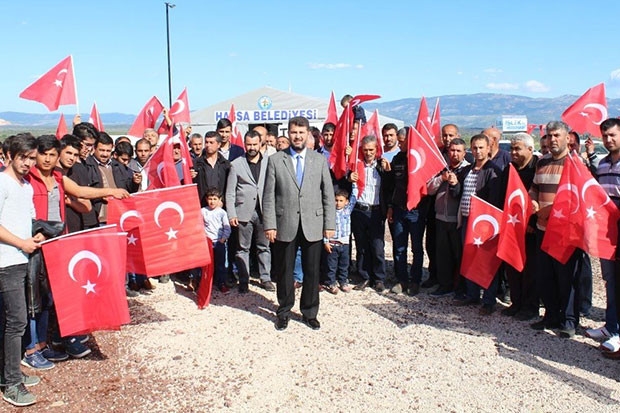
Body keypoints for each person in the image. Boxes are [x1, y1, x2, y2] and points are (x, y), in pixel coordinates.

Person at [263, 116, 336, 331]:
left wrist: (329, 224)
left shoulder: (319, 160)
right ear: (288, 133)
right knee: (285, 271)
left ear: (308, 134)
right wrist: (270, 224)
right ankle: (284, 311)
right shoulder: (276, 160)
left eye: (301, 132)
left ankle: (309, 312)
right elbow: (268, 195)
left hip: (313, 223)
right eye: (294, 132)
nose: (297, 136)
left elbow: (328, 194)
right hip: (285, 223)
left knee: (312, 271)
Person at [0, 134, 42, 407]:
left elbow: (27, 218)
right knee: (15, 321)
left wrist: (37, 234)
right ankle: (11, 383)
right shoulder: (2, 183)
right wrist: (21, 243)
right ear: (9, 156)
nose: (28, 163)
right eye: (23, 157)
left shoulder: (26, 186)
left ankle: (9, 371)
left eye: (31, 158)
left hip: (22, 258)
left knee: (13, 320)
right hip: (5, 261)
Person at [529, 120, 582, 338]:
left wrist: (551, 210)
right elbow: (534, 188)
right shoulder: (542, 162)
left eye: (557, 135)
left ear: (567, 138)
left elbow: (577, 197)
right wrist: (533, 202)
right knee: (546, 275)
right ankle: (550, 315)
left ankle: (569, 321)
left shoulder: (575, 164)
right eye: (550, 136)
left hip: (564, 232)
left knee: (567, 278)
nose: (552, 140)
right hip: (542, 229)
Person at [453, 134, 502, 314]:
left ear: (488, 148)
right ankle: (472, 294)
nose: (478, 151)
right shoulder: (467, 170)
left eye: (481, 147)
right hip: (467, 220)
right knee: (469, 258)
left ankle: (489, 300)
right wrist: (454, 185)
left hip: (484, 222)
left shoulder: (494, 171)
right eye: (475, 148)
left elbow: (494, 200)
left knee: (486, 261)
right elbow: (458, 194)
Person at [584, 118, 620, 356]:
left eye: (613, 135)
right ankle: (611, 326)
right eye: (605, 136)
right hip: (607, 232)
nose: (608, 140)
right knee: (610, 280)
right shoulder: (604, 164)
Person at [226, 130, 274, 293]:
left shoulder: (269, 162)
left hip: (264, 211)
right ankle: (244, 280)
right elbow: (230, 192)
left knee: (264, 247)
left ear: (261, 143)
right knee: (242, 248)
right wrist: (232, 213)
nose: (252, 148)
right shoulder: (236, 164)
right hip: (243, 212)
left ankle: (265, 278)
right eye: (249, 144)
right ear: (245, 145)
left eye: (255, 144)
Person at [501, 133, 539, 320]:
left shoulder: (538, 168)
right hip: (511, 226)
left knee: (530, 269)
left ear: (530, 149)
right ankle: (516, 302)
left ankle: (530, 307)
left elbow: (539, 197)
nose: (513, 152)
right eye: (511, 148)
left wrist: (532, 222)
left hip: (531, 228)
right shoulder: (509, 170)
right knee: (512, 265)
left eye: (517, 149)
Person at [426, 138, 470, 296]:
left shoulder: (468, 170)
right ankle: (445, 284)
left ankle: (461, 287)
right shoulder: (441, 167)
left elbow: (463, 194)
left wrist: (455, 184)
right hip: (440, 218)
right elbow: (429, 189)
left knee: (459, 255)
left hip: (457, 220)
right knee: (443, 254)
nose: (455, 154)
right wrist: (442, 178)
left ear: (464, 153)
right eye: (452, 150)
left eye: (458, 151)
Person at [350, 135, 391, 293]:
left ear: (376, 149)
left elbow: (389, 186)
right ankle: (364, 276)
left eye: (371, 150)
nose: (368, 153)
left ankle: (379, 278)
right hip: (359, 210)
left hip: (376, 211)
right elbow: (346, 182)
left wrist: (387, 171)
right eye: (365, 150)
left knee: (377, 246)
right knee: (362, 246)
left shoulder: (381, 166)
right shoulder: (356, 165)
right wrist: (349, 177)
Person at [323, 189, 356, 293]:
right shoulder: (329, 213)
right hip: (332, 243)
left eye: (341, 201)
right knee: (331, 266)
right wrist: (326, 241)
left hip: (344, 244)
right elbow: (325, 227)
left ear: (346, 202)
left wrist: (355, 184)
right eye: (336, 200)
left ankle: (343, 281)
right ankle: (331, 283)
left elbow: (354, 197)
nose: (338, 203)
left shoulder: (347, 211)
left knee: (344, 265)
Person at [201, 188, 232, 293]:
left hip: (219, 242)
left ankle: (221, 283)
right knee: (207, 264)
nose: (212, 201)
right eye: (210, 199)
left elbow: (227, 228)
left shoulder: (222, 213)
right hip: (207, 242)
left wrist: (222, 239)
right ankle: (206, 283)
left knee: (221, 264)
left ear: (219, 200)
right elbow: (200, 225)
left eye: (215, 199)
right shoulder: (203, 211)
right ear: (206, 199)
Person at [193, 132, 231, 208]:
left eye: (211, 142)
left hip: (221, 207)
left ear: (219, 144)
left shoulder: (226, 165)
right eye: (206, 142)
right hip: (202, 206)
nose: (208, 145)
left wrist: (222, 201)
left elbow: (229, 186)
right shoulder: (196, 164)